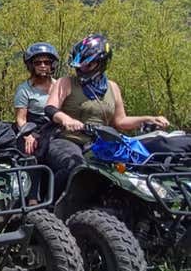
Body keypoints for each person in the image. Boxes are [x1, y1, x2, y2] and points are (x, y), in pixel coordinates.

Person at [44, 33, 168, 197]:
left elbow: (121, 121)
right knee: (76, 166)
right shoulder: (66, 82)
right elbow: (50, 108)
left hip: (99, 144)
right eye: (78, 65)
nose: (80, 69)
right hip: (67, 140)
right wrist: (66, 119)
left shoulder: (113, 87)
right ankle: (53, 205)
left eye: (87, 65)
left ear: (100, 63)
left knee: (130, 169)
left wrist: (148, 119)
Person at [14, 42, 59, 155]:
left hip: (56, 129)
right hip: (34, 129)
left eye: (46, 62)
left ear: (51, 65)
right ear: (31, 66)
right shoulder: (24, 89)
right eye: (38, 63)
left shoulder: (60, 86)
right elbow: (21, 119)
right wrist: (27, 135)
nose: (43, 66)